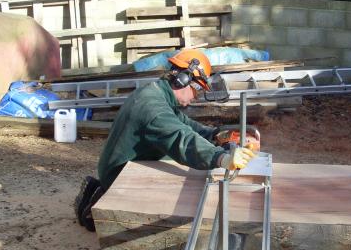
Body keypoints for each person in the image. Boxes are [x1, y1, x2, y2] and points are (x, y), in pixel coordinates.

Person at [74, 49, 258, 232]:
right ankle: (101, 199)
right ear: (183, 80)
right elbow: (181, 139)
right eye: (197, 90)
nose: (195, 97)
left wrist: (216, 135)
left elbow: (184, 124)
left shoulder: (156, 93)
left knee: (189, 167)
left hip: (128, 163)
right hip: (118, 175)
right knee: (185, 184)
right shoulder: (152, 108)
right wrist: (221, 158)